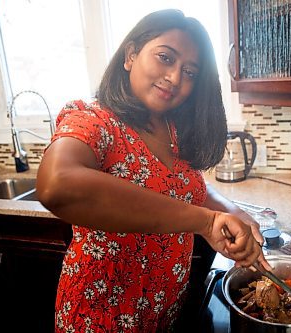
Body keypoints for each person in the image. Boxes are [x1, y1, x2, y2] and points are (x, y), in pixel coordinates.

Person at [36, 9, 269, 333]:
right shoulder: (94, 119)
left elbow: (187, 186)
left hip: (164, 312)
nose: (175, 78)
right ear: (131, 55)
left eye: (189, 72)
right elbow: (56, 185)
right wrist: (206, 221)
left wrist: (231, 211)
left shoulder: (172, 129)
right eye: (165, 58)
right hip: (101, 319)